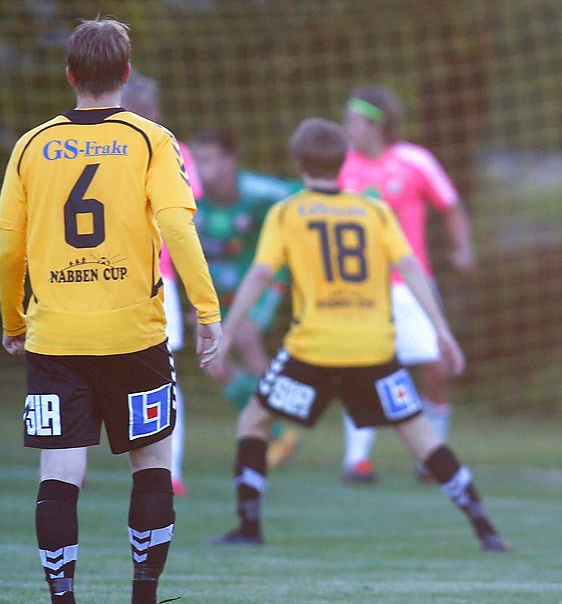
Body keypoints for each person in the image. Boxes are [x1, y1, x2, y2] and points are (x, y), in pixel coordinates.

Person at [0, 19, 223, 604]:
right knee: (150, 465)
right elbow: (179, 230)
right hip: (135, 336)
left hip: (56, 338)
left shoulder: (31, 145)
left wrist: (14, 319)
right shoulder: (153, 141)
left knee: (59, 475)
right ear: (125, 74)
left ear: (70, 75)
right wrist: (208, 313)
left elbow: (10, 247)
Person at [209, 118, 505, 552]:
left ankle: (249, 526)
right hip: (372, 349)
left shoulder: (289, 212)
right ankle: (484, 526)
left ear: (298, 161)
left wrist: (226, 331)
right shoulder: (374, 210)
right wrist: (442, 330)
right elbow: (409, 267)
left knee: (255, 419)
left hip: (314, 348)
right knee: (419, 432)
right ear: (344, 161)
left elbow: (259, 273)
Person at [336, 86, 475, 482]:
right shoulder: (340, 166)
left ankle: (430, 455)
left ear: (375, 124)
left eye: (352, 120)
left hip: (410, 284)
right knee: (359, 367)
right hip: (356, 289)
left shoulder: (415, 161)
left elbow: (450, 205)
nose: (346, 128)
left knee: (437, 365)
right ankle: (357, 459)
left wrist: (463, 248)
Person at [189, 128, 303, 465]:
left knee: (245, 334)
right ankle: (276, 429)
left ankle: (280, 426)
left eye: (209, 159)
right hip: (220, 289)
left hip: (264, 278)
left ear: (231, 161)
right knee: (213, 359)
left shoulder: (257, 190)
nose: (202, 166)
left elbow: (303, 196)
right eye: (197, 159)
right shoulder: (190, 200)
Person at [123, 70, 198, 496]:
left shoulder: (174, 150)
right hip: (110, 276)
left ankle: (170, 469)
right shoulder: (111, 148)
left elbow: (187, 223)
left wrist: (193, 290)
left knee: (161, 374)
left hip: (156, 280)